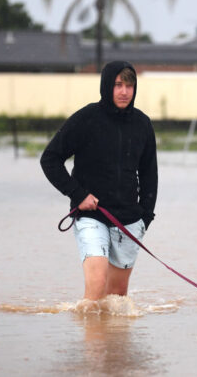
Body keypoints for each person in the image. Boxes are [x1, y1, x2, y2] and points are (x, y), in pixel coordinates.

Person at [41, 60, 157, 301]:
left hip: (130, 221)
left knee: (116, 297)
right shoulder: (86, 119)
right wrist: (78, 194)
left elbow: (149, 174)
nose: (124, 91)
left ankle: (112, 340)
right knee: (97, 284)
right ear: (106, 86)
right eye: (118, 85)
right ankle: (92, 339)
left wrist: (146, 217)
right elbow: (50, 159)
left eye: (129, 85)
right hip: (91, 215)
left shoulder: (143, 124)